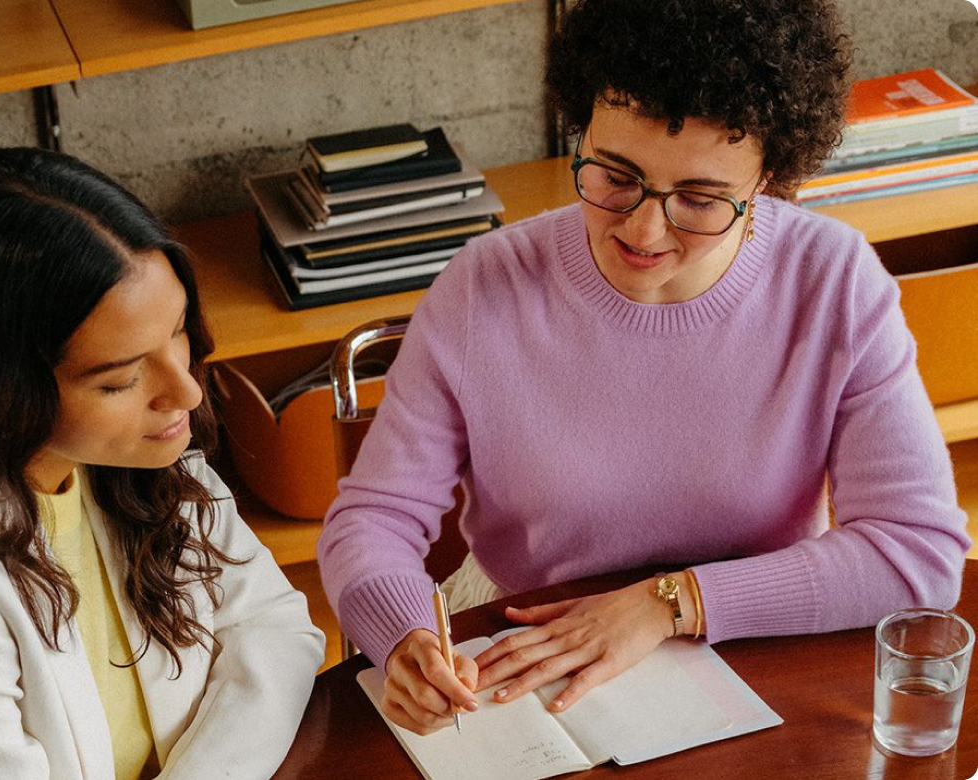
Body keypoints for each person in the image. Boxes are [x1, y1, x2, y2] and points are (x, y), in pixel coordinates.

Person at [317, 0, 970, 735]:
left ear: (769, 178)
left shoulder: (834, 281)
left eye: (698, 199)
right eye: (614, 176)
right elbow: (373, 520)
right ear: (581, 132)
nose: (643, 229)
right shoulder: (484, 287)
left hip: (759, 640)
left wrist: (670, 602)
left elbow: (917, 553)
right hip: (527, 646)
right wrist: (404, 636)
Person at [0, 148, 324, 779]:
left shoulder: (139, 466)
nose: (186, 392)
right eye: (121, 379)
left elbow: (277, 630)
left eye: (177, 331)